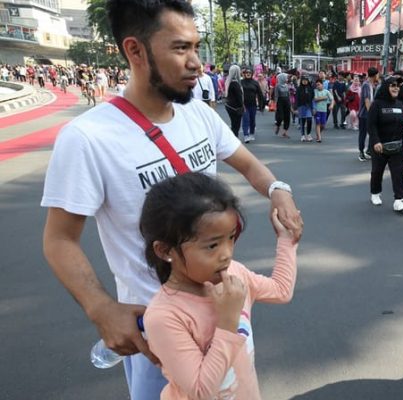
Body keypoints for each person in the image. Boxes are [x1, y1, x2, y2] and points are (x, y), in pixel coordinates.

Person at [41, 2, 303, 400]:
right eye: (181, 48)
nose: (196, 63)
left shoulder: (200, 115)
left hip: (223, 314)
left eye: (196, 47)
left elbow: (250, 166)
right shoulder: (88, 138)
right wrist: (101, 308)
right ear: (135, 51)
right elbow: (59, 239)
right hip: (159, 330)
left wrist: (277, 189)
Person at [142, 172, 297, 400]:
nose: (226, 254)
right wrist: (227, 322)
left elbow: (281, 291)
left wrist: (286, 240)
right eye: (212, 245)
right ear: (165, 250)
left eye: (231, 238)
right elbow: (201, 391)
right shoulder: (164, 316)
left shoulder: (235, 273)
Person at [367, 76, 403, 212]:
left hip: (397, 145)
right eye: (393, 85)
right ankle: (375, 193)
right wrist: (376, 141)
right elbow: (371, 125)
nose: (396, 88)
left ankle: (399, 199)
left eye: (398, 86)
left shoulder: (400, 104)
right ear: (386, 87)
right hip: (380, 146)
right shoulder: (377, 104)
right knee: (377, 171)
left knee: (397, 172)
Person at [358, 67, 379, 161]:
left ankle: (369, 151)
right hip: (364, 114)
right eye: (377, 74)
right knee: (363, 133)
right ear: (375, 75)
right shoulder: (366, 85)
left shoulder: (371, 85)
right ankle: (361, 152)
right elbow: (367, 100)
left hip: (368, 113)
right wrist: (371, 113)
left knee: (372, 133)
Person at [240, 68, 263, 143]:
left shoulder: (255, 83)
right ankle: (246, 135)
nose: (248, 74)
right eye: (246, 72)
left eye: (249, 73)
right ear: (244, 74)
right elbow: (238, 93)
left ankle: (252, 133)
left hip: (253, 104)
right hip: (244, 105)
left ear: (252, 74)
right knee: (245, 119)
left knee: (252, 120)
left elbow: (260, 94)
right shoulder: (241, 82)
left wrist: (261, 105)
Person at [224, 65, 245, 138]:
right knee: (236, 125)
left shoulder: (227, 81)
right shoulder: (236, 84)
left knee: (233, 124)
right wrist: (242, 106)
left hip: (228, 105)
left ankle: (233, 138)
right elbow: (239, 97)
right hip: (235, 107)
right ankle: (234, 139)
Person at [295, 75, 315, 142]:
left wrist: (313, 107)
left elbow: (313, 98)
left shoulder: (310, 88)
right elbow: (297, 99)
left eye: (306, 80)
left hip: (309, 106)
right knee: (302, 121)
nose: (305, 81)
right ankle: (303, 135)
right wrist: (296, 108)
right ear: (301, 81)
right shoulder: (299, 88)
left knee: (309, 119)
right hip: (301, 106)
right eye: (303, 80)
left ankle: (309, 134)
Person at [273, 73, 292, 138]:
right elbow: (276, 95)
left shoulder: (287, 85)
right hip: (280, 101)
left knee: (287, 117)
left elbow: (288, 95)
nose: (286, 79)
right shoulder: (277, 86)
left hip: (286, 101)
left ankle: (285, 132)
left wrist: (290, 103)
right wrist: (275, 104)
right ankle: (278, 125)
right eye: (285, 77)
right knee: (280, 116)